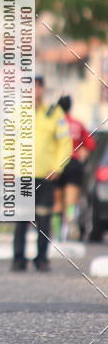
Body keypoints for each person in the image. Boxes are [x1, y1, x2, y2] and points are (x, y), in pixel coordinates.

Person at [12, 76, 73, 272]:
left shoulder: (54, 113)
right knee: (20, 220)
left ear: (43, 90)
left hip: (47, 174)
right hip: (22, 174)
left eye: (37, 88)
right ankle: (18, 259)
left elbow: (65, 142)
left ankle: (42, 259)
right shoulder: (17, 113)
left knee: (44, 219)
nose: (34, 92)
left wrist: (59, 166)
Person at [54, 94, 96, 240]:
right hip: (74, 163)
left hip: (56, 164)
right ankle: (70, 221)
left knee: (57, 202)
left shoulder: (54, 123)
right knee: (71, 200)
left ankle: (57, 232)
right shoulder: (77, 124)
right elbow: (91, 144)